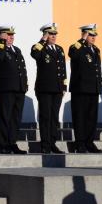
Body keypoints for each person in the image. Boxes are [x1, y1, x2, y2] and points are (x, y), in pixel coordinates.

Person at [0, 25, 27, 154]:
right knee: (5, 117)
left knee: (16, 118)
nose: (11, 37)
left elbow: (22, 68)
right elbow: (0, 58)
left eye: (12, 35)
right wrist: (2, 42)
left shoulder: (17, 50)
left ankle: (12, 143)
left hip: (19, 89)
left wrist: (24, 85)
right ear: (1, 36)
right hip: (6, 89)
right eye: (8, 35)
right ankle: (4, 144)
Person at [31, 23, 66, 154]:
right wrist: (42, 40)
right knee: (45, 117)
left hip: (57, 89)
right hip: (44, 88)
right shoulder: (40, 47)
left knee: (54, 117)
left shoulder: (59, 49)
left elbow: (63, 69)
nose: (53, 36)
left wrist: (64, 86)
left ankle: (52, 143)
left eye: (54, 34)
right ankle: (45, 144)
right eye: (50, 34)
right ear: (45, 34)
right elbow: (34, 54)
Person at [69, 24, 102, 153]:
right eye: (90, 35)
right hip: (81, 89)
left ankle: (89, 142)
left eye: (94, 35)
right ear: (84, 35)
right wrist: (82, 40)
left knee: (91, 118)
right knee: (80, 118)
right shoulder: (77, 47)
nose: (93, 38)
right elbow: (73, 54)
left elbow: (97, 70)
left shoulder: (96, 50)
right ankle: (80, 143)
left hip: (93, 89)